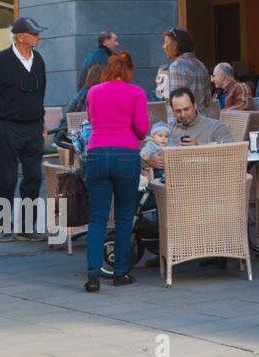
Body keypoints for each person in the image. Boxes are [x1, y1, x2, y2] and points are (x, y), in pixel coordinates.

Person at [84, 52, 150, 291]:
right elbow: (142, 129)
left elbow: (91, 121)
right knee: (123, 217)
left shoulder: (93, 92)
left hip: (97, 153)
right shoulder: (136, 92)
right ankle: (120, 273)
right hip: (125, 153)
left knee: (97, 218)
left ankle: (93, 275)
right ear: (129, 70)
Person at [0, 18, 49, 241]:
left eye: (38, 33)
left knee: (33, 177)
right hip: (7, 126)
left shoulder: (38, 60)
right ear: (20, 36)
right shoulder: (1, 60)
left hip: (33, 127)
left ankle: (27, 227)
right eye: (34, 33)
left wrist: (42, 121)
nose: (38, 37)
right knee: (6, 177)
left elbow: (40, 94)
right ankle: (3, 224)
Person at [161, 87, 233, 149]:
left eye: (186, 109)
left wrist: (200, 149)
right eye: (178, 111)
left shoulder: (216, 127)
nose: (183, 114)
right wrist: (152, 160)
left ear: (195, 105)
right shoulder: (167, 131)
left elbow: (230, 152)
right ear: (172, 111)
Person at [163, 27, 210, 116]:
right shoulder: (201, 66)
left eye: (166, 43)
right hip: (202, 123)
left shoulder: (176, 67)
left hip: (183, 125)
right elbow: (208, 102)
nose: (164, 47)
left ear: (176, 45)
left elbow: (176, 102)